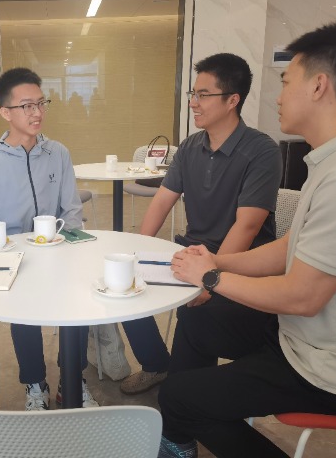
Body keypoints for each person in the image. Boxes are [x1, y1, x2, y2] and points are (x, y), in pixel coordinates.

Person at [158, 21, 336, 458]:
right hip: (300, 336)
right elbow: (288, 248)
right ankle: (181, 432)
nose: (278, 97)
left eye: (286, 82)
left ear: (319, 85)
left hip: (333, 368)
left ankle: (181, 420)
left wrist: (213, 279)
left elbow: (302, 297)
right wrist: (216, 261)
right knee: (197, 323)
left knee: (178, 397)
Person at [120, 53, 282, 395]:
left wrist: (210, 280)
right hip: (192, 252)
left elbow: (248, 226)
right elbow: (162, 201)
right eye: (193, 94)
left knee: (197, 317)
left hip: (239, 264)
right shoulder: (190, 147)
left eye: (203, 95)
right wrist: (132, 254)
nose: (193, 103)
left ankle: (186, 397)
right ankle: (157, 364)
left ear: (232, 100)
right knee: (122, 284)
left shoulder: (261, 151)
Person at [0, 68, 98, 410]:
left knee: (79, 300)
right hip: (14, 261)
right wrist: (10, 257)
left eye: (41, 103)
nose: (37, 112)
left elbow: (72, 211)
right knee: (22, 311)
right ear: (5, 112)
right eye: (26, 106)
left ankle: (72, 379)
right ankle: (35, 383)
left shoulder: (58, 154)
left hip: (58, 253)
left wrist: (69, 251)